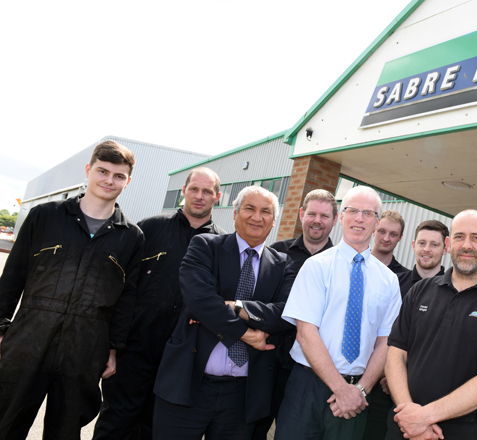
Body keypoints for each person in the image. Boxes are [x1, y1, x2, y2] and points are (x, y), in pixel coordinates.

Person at [0, 141, 145, 440]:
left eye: (119, 176)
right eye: (103, 171)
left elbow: (126, 298)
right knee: (6, 420)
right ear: (88, 170)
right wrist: (1, 327)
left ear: (128, 181)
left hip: (86, 345)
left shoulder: (131, 236)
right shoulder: (45, 216)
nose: (109, 180)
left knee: (65, 430)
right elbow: (12, 276)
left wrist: (113, 348)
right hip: (30, 336)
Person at [152, 186, 296, 439]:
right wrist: (244, 333)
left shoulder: (283, 266)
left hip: (243, 397)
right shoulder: (206, 246)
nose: (257, 217)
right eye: (249, 208)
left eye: (266, 212)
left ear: (274, 220)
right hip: (188, 384)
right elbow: (199, 301)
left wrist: (235, 306)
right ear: (235, 212)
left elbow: (284, 314)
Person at [93, 167, 225, 440]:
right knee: (115, 423)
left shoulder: (222, 246)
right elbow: (119, 286)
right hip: (134, 351)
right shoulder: (150, 228)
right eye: (194, 189)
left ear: (218, 197)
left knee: (158, 430)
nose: (199, 196)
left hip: (180, 361)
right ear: (183, 192)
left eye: (207, 191)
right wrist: (112, 345)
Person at [385, 209, 477, 440]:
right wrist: (409, 412)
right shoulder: (420, 290)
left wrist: (425, 417)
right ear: (449, 244)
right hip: (404, 423)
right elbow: (396, 354)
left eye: (476, 238)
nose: (467, 245)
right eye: (460, 237)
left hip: (461, 430)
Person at [276, 186, 402, 440]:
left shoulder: (389, 281)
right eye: (352, 210)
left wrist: (360, 391)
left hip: (358, 394)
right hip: (307, 386)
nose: (359, 218)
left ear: (377, 222)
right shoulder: (316, 267)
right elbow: (306, 333)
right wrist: (340, 389)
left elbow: (385, 342)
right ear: (341, 217)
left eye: (368, 213)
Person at [254, 189, 338, 438]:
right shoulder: (276, 254)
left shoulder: (341, 263)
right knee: (254, 429)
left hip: (312, 371)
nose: (317, 220)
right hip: (269, 363)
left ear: (334, 220)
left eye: (324, 216)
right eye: (311, 213)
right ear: (301, 214)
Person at [362, 219, 449, 440]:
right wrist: (385, 373)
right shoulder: (392, 283)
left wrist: (401, 379)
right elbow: (375, 331)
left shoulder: (455, 292)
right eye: (422, 243)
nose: (426, 249)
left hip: (428, 397)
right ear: (412, 245)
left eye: (434, 244)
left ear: (446, 248)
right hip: (380, 390)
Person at [371, 209, 410, 274]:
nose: (386, 239)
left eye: (393, 234)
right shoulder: (355, 263)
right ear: (373, 231)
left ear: (400, 237)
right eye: (382, 231)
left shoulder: (404, 278)